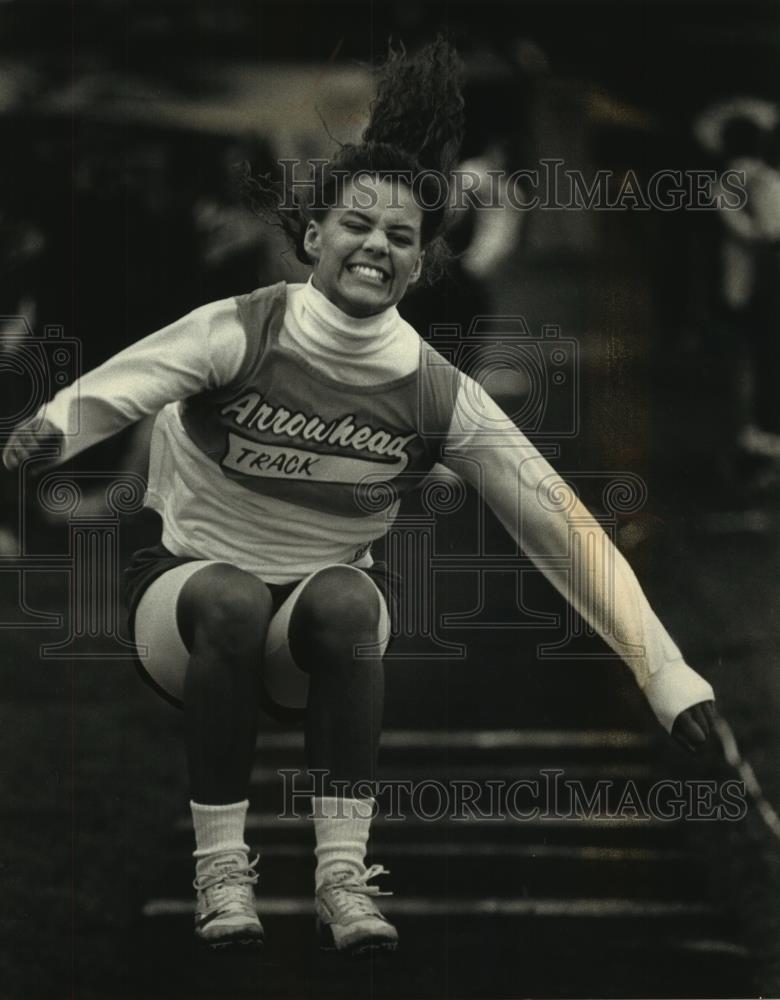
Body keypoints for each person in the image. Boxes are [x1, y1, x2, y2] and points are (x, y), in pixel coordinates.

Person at [2, 39, 715, 957]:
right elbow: (133, 379)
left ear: (420, 267)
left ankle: (344, 876)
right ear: (313, 237)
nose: (376, 243)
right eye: (356, 224)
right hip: (184, 607)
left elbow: (558, 523)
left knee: (351, 597)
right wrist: (58, 425)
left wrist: (664, 675)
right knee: (227, 595)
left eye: (401, 236)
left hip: (309, 640)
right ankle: (222, 869)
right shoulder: (242, 327)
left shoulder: (435, 390)